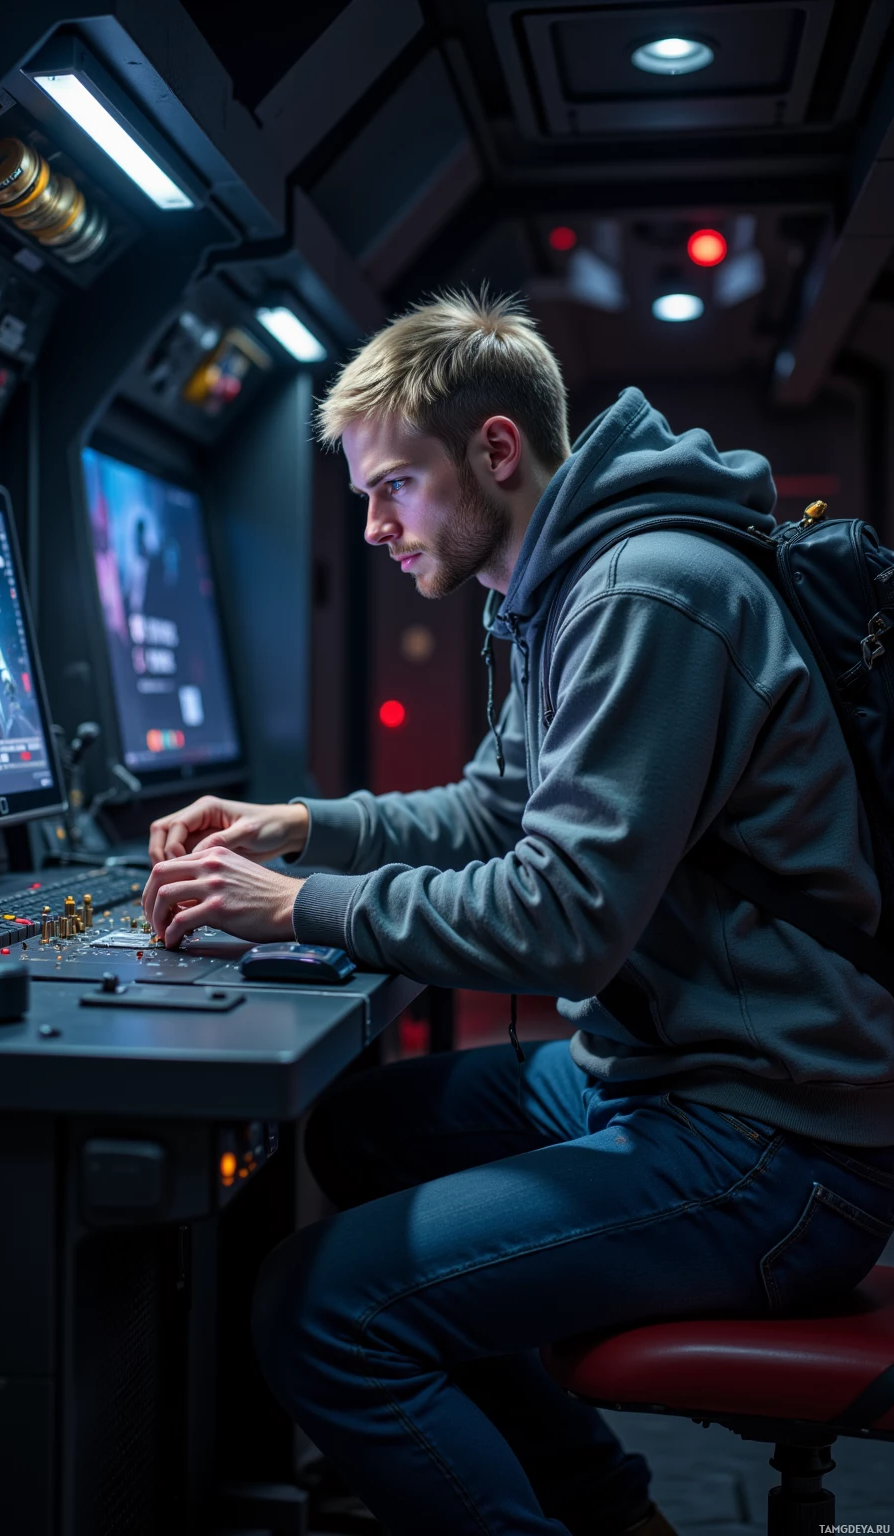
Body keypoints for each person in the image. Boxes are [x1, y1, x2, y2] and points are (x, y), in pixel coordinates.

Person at [142, 291, 894, 1536]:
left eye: (394, 487)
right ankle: (601, 1509)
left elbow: (561, 923)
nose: (376, 526)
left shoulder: (642, 594)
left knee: (319, 1310)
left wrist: (297, 908)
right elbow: (494, 812)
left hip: (780, 1147)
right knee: (367, 1133)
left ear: (495, 450)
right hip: (672, 1078)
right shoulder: (566, 583)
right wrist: (299, 826)